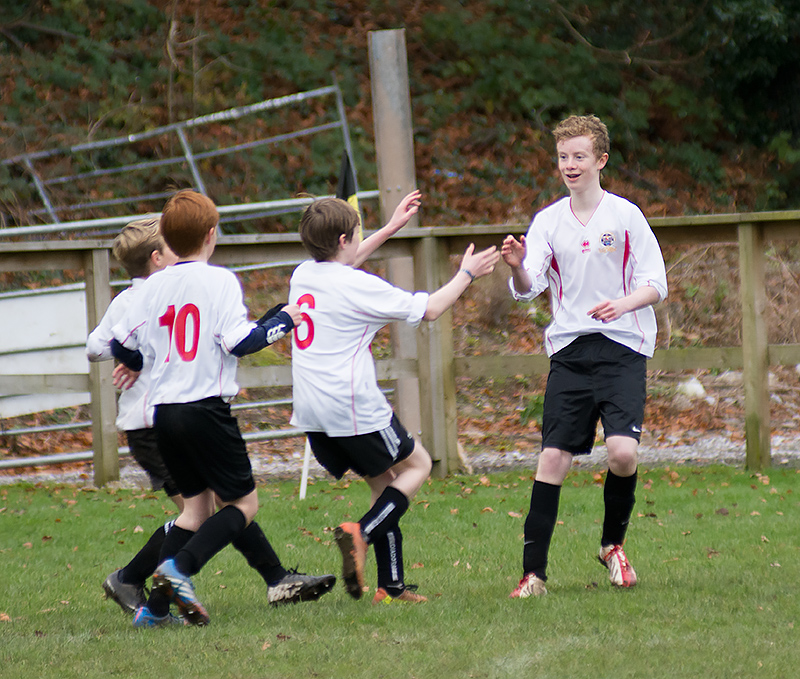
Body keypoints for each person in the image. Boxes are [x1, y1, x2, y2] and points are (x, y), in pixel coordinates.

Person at [88, 217, 335, 622]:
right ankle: (166, 573)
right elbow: (101, 344)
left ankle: (155, 604)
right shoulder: (175, 288)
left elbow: (131, 341)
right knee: (230, 506)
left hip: (163, 414)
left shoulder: (164, 288)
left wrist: (133, 358)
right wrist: (286, 321)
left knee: (199, 510)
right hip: (178, 415)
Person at [289, 190, 499, 604]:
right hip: (352, 406)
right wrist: (467, 273)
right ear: (345, 240)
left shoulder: (303, 274)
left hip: (311, 411)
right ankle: (361, 534)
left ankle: (391, 585)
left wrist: (388, 228)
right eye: (356, 233)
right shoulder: (360, 286)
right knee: (418, 465)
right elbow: (432, 309)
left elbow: (343, 263)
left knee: (382, 483)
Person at [501, 114, 668, 597]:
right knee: (552, 460)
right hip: (571, 353)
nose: (569, 165)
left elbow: (656, 283)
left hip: (622, 350)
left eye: (579, 156)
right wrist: (516, 267)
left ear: (601, 160)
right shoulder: (549, 221)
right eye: (563, 157)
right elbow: (526, 289)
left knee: (622, 453)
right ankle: (533, 576)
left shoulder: (626, 216)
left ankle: (611, 545)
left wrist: (623, 303)